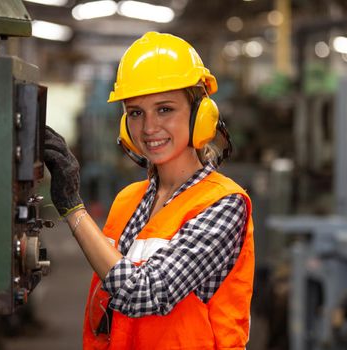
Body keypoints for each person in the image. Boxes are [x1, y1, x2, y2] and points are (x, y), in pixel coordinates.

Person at [44, 31, 254, 350]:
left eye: (165, 109)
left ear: (201, 114)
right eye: (136, 113)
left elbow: (145, 293)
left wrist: (73, 210)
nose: (149, 128)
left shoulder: (224, 204)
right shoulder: (128, 200)